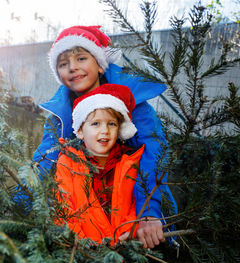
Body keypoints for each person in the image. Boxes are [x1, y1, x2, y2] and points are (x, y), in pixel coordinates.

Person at [31, 25, 177, 248]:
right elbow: (44, 160)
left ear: (99, 64)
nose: (73, 68)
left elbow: (153, 153)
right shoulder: (59, 115)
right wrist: (19, 204)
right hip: (86, 219)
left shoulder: (133, 102)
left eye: (81, 58)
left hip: (132, 208)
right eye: (63, 64)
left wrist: (148, 212)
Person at [54, 83, 142, 244]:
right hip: (84, 249)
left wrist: (130, 232)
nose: (105, 131)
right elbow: (63, 208)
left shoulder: (130, 161)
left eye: (112, 124)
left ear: (119, 129)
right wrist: (81, 245)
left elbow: (136, 204)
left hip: (123, 247)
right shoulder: (68, 162)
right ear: (80, 131)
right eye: (95, 124)